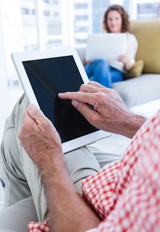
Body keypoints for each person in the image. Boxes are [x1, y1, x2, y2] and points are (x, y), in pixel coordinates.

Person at [0, 81, 148, 231]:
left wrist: (49, 157)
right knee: (16, 139)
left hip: (100, 208)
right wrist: (130, 121)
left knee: (31, 106)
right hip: (131, 171)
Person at [85, 4, 138, 88]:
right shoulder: (101, 37)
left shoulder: (130, 38)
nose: (113, 22)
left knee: (92, 79)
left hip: (116, 71)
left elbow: (130, 66)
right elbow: (87, 59)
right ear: (106, 21)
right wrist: (89, 59)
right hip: (96, 65)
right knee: (102, 62)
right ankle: (102, 100)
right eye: (110, 19)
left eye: (116, 18)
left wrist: (126, 60)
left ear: (122, 20)